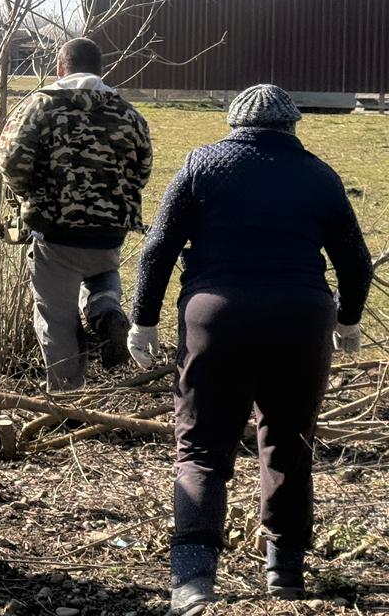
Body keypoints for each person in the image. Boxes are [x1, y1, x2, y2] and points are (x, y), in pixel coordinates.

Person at [127, 84, 372, 614]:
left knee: (202, 448)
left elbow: (158, 248)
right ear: (292, 125)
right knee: (288, 442)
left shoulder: (202, 165)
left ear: (234, 124)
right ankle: (285, 570)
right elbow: (355, 259)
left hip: (215, 318)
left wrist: (143, 322)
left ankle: (193, 578)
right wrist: (348, 321)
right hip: (301, 319)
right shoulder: (319, 175)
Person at [0, 37, 152, 392]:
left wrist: (28, 198)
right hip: (110, 231)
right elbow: (142, 170)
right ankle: (107, 313)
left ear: (60, 68)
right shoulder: (128, 113)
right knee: (101, 274)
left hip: (55, 231)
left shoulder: (39, 107)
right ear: (101, 70)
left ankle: (68, 396)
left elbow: (11, 162)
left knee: (57, 319)